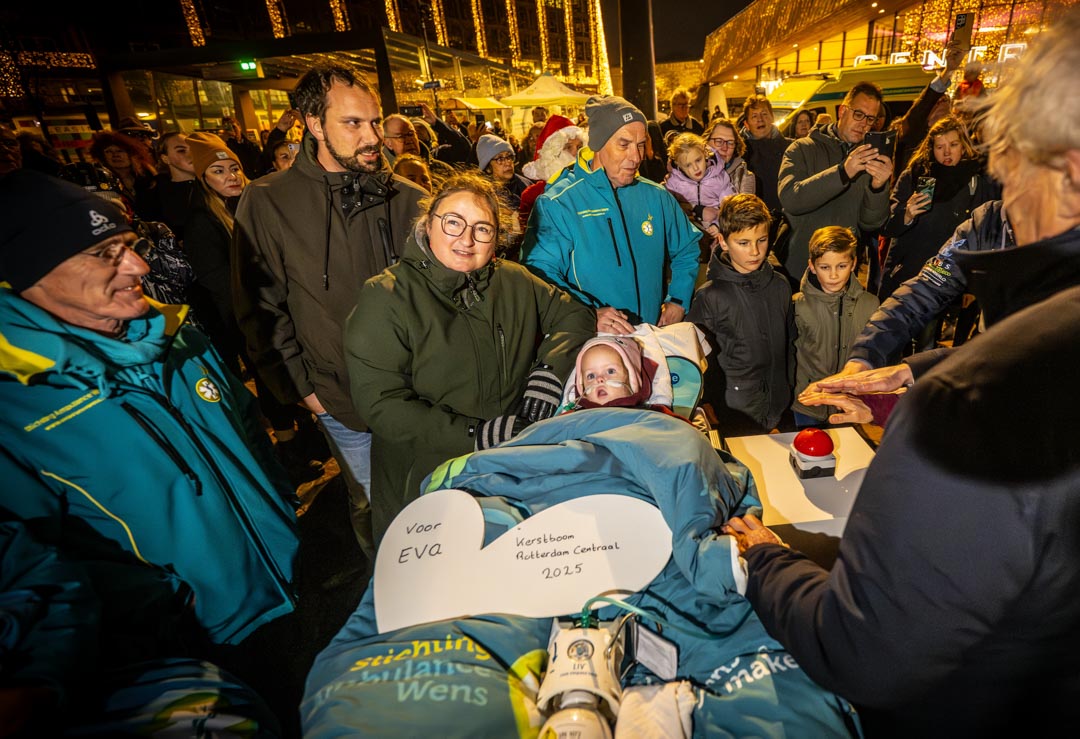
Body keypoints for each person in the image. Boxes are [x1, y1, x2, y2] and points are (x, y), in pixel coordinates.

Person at [727, 12, 1080, 733]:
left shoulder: (973, 410)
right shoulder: (987, 232)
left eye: (1010, 163)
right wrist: (899, 371)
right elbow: (923, 295)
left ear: (1069, 173)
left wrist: (765, 561)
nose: (1003, 187)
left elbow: (863, 647)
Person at [0, 170, 298, 649]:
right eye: (105, 253)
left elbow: (248, 428)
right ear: (31, 271)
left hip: (288, 582)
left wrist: (281, 507)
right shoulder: (16, 400)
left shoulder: (178, 336)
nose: (139, 266)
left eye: (130, 245)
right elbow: (32, 559)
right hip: (185, 643)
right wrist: (166, 605)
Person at [233, 65, 426, 551]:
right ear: (314, 124)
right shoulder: (268, 200)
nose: (372, 136)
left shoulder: (408, 197)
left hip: (422, 394)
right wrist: (304, 392)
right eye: (353, 123)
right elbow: (261, 308)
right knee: (374, 507)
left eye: (374, 122)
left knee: (438, 498)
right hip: (339, 398)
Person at [343, 173, 594, 541]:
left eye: (483, 229)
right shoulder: (388, 296)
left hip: (505, 471)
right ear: (428, 224)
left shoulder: (513, 281)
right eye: (453, 222)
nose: (466, 239)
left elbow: (574, 316)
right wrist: (475, 435)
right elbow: (382, 405)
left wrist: (547, 373)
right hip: (426, 479)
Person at [522, 95, 701, 333]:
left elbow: (687, 248)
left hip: (652, 336)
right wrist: (587, 314)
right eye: (624, 145)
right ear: (597, 144)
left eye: (640, 145)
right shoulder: (558, 203)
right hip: (593, 342)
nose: (636, 157)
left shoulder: (656, 196)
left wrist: (678, 298)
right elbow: (539, 276)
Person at [878, 116, 998, 354]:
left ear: (963, 146)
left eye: (953, 145)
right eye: (940, 146)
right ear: (930, 148)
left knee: (926, 343)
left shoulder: (976, 180)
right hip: (908, 272)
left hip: (942, 275)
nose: (947, 152)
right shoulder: (915, 175)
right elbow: (887, 225)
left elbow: (984, 232)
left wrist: (973, 282)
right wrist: (907, 214)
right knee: (895, 345)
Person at [687, 194, 792, 434]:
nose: (755, 251)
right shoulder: (710, 296)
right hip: (733, 411)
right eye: (743, 243)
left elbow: (790, 342)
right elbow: (697, 359)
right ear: (723, 242)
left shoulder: (781, 285)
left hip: (779, 403)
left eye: (761, 240)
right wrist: (707, 403)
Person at [777, 81, 893, 281]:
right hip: (799, 268)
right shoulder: (802, 148)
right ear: (842, 111)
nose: (864, 124)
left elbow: (871, 223)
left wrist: (878, 188)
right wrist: (842, 172)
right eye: (859, 114)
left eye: (870, 118)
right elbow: (791, 199)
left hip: (842, 272)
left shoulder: (869, 158)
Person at [790, 226, 878, 425]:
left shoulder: (870, 304)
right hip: (808, 402)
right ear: (812, 266)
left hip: (850, 402)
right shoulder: (797, 305)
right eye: (825, 267)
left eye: (841, 266)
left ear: (853, 263)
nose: (833, 275)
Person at [664, 132, 736, 243]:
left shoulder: (720, 179)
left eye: (698, 160)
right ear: (679, 165)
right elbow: (666, 210)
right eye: (688, 165)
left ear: (705, 154)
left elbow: (731, 208)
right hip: (686, 235)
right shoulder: (674, 183)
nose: (696, 168)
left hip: (717, 233)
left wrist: (718, 225)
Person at [519, 115, 586, 228]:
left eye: (579, 147)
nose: (575, 153)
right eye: (567, 147)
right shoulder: (533, 195)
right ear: (552, 154)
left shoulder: (592, 184)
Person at [740, 95, 791, 222]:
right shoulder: (740, 153)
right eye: (754, 116)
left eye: (764, 114)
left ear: (772, 117)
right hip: (757, 219)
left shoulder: (790, 147)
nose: (760, 120)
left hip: (788, 217)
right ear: (746, 124)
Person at [88, 130, 157, 218]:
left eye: (120, 151)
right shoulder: (101, 184)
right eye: (108, 151)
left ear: (131, 155)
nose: (115, 155)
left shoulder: (148, 177)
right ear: (102, 156)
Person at [146, 131, 197, 239]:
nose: (191, 154)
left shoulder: (214, 185)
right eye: (181, 150)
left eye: (193, 149)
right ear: (165, 158)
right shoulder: (155, 195)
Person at [477, 133, 530, 212]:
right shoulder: (483, 197)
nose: (508, 162)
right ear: (488, 168)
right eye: (500, 159)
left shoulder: (526, 185)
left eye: (509, 157)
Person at [706, 117, 755, 195]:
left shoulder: (744, 177)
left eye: (730, 143)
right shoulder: (693, 171)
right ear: (706, 142)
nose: (725, 148)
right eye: (719, 141)